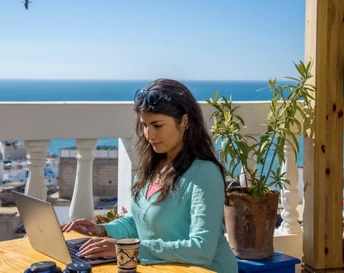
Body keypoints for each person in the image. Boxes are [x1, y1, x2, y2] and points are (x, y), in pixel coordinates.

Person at [61, 78, 238, 273]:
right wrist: (101, 230)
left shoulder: (204, 173)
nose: (149, 134)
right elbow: (139, 222)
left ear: (185, 121)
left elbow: (201, 249)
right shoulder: (154, 166)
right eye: (144, 125)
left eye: (157, 125)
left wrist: (127, 250)